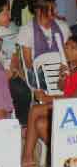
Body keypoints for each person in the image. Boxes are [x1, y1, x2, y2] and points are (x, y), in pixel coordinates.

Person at [21, 35, 77, 167]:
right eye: (67, 46)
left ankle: (27, 158)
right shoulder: (71, 66)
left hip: (72, 111)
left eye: (73, 47)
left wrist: (46, 98)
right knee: (40, 124)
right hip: (67, 109)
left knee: (35, 110)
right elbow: (63, 88)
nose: (67, 49)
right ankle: (62, 156)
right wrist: (63, 78)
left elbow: (72, 99)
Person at [18, 0, 71, 87]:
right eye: (52, 8)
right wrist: (49, 70)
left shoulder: (63, 27)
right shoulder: (26, 30)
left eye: (55, 8)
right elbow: (28, 64)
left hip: (62, 72)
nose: (56, 11)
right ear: (38, 10)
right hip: (39, 76)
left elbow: (70, 54)